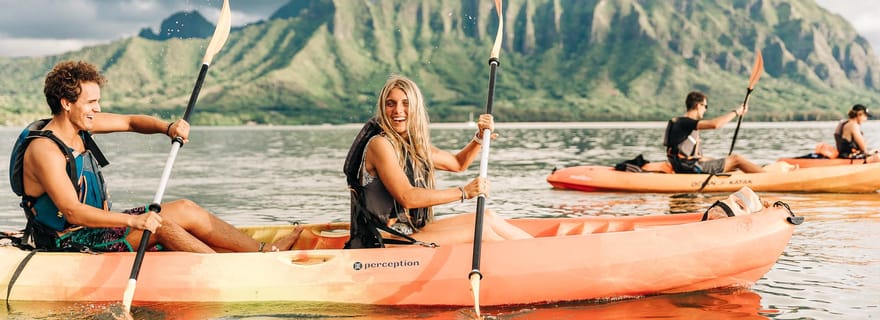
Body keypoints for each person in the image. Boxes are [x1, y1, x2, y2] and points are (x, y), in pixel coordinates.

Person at [10, 60, 302, 253]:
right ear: (66, 103)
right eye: (92, 102)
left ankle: (263, 253)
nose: (98, 109)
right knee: (160, 225)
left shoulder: (81, 124)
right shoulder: (45, 150)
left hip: (98, 229)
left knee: (185, 208)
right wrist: (134, 222)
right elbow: (73, 212)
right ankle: (228, 268)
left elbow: (131, 122)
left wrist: (168, 127)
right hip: (69, 243)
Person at [343, 75, 531, 249]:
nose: (398, 111)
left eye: (406, 103)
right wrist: (463, 192)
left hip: (410, 232)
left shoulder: (412, 146)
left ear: (416, 107)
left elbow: (458, 164)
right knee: (479, 232)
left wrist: (479, 138)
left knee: (487, 218)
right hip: (381, 241)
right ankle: (533, 266)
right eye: (390, 104)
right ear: (383, 109)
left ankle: (540, 254)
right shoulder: (380, 145)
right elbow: (407, 198)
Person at [663, 91, 764, 174]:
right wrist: (737, 112)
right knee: (736, 159)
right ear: (698, 106)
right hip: (689, 168)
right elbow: (715, 124)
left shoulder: (682, 124)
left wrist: (719, 161)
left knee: (729, 163)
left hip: (686, 166)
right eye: (705, 106)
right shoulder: (684, 122)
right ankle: (767, 177)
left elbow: (695, 157)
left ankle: (758, 171)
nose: (705, 110)